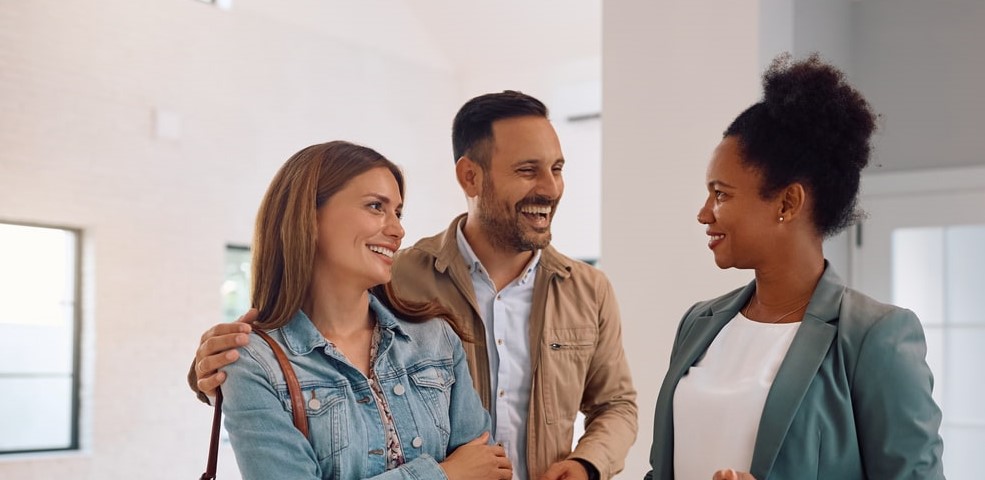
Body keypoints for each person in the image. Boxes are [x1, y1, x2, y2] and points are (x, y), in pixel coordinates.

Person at [191, 93, 637, 480]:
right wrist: (216, 372)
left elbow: (616, 404)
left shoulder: (586, 290)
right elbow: (292, 343)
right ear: (470, 176)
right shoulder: (394, 275)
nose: (551, 187)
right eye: (527, 170)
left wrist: (587, 464)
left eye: (556, 169)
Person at [646, 54, 945, 480]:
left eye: (721, 194)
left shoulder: (873, 338)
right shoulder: (698, 322)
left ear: (787, 203)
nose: (704, 213)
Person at [217, 141, 510, 479]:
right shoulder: (254, 364)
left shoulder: (435, 339)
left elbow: (490, 469)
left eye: (398, 213)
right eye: (375, 206)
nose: (398, 230)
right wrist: (446, 474)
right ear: (309, 216)